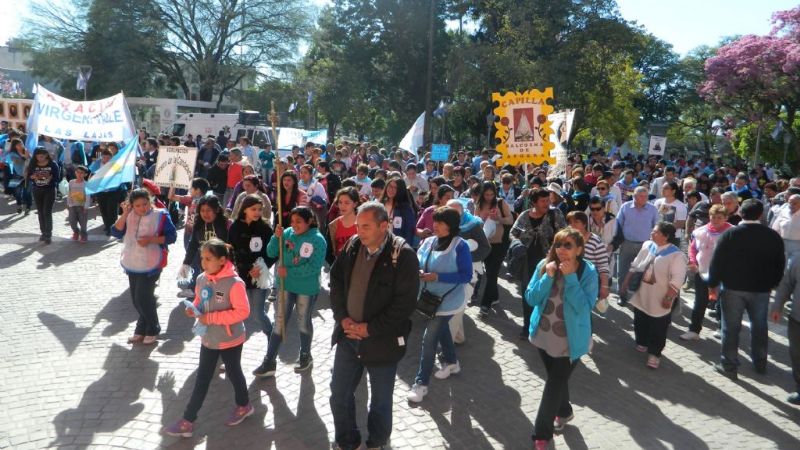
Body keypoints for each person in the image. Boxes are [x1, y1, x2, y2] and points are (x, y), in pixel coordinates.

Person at [329, 202, 419, 450]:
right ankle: (348, 441)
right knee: (339, 393)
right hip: (348, 337)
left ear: (384, 225)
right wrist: (342, 317)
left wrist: (369, 329)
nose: (360, 231)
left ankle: (377, 442)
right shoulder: (353, 245)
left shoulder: (403, 255)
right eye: (358, 225)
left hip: (382, 342)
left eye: (366, 226)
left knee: (380, 401)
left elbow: (404, 305)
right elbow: (335, 281)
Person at [163, 239, 254, 437]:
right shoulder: (202, 278)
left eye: (208, 259)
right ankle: (188, 420)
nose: (204, 263)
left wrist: (211, 317)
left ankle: (244, 405)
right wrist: (194, 309)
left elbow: (243, 312)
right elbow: (199, 300)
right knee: (202, 378)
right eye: (202, 258)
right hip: (209, 337)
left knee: (234, 372)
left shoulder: (235, 283)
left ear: (222, 260)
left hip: (231, 339)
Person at [525, 228, 598, 449]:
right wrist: (547, 276)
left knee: (553, 383)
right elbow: (531, 298)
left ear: (579, 250)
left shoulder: (588, 272)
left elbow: (585, 307)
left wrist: (571, 279)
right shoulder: (544, 265)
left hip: (571, 340)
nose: (562, 250)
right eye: (558, 245)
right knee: (557, 381)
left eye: (568, 245)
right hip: (544, 336)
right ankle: (564, 411)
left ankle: (541, 434)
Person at [708, 199, 785, 380]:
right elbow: (779, 264)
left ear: (740, 213)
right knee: (759, 326)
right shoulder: (772, 236)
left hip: (733, 288)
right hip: (761, 290)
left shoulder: (730, 234)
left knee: (730, 328)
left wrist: (713, 284)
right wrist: (773, 283)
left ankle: (729, 365)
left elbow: (717, 262)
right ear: (760, 215)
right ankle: (760, 362)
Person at [407, 207, 473, 403]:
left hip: (449, 301)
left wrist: (437, 276)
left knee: (429, 340)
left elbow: (466, 275)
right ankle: (452, 363)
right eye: (434, 221)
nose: (434, 225)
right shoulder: (428, 241)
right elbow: (417, 261)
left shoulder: (460, 246)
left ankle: (421, 384)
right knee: (441, 331)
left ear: (451, 226)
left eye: (440, 222)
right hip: (428, 298)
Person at [256, 207, 327, 377]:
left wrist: (289, 272)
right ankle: (269, 361)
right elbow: (271, 252)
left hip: (306, 288)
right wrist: (276, 236)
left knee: (303, 322)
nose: (294, 225)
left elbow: (314, 266)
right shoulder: (286, 233)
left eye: (299, 222)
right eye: (292, 221)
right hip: (285, 286)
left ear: (309, 221)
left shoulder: (317, 239)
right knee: (279, 322)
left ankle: (305, 355)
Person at [111, 189, 177, 345]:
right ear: (132, 205)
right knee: (135, 298)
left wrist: (151, 240)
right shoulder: (129, 215)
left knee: (143, 297)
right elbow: (116, 232)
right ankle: (141, 329)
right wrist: (125, 214)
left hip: (152, 262)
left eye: (145, 204)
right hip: (132, 261)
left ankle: (153, 328)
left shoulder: (160, 215)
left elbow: (172, 236)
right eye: (138, 205)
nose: (142, 208)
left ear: (150, 201)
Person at [619, 222, 687, 369]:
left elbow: (677, 279)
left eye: (655, 232)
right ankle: (642, 342)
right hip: (642, 292)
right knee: (640, 318)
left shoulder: (676, 255)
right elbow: (636, 264)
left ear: (666, 236)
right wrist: (625, 282)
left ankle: (654, 354)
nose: (651, 233)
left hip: (660, 296)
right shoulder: (647, 245)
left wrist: (669, 297)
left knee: (658, 326)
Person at [508, 188, 566, 334]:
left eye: (548, 200)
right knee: (529, 293)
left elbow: (564, 234)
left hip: (549, 261)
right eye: (543, 201)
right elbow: (512, 233)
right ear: (534, 202)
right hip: (527, 261)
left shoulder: (555, 214)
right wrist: (517, 244)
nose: (547, 203)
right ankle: (528, 326)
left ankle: (544, 326)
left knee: (548, 294)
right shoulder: (524, 215)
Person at [228, 195, 275, 358]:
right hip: (239, 276)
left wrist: (262, 267)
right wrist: (244, 268)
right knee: (236, 312)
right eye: (253, 209)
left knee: (257, 312)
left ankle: (272, 337)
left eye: (259, 210)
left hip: (259, 276)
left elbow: (272, 252)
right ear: (245, 209)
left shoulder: (265, 228)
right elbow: (230, 251)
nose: (257, 212)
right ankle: (230, 346)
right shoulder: (234, 228)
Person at [681, 205, 733, 341]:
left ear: (726, 218)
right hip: (702, 273)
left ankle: (722, 329)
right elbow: (692, 248)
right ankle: (694, 331)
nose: (715, 220)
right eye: (712, 217)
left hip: (724, 276)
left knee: (723, 303)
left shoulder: (733, 232)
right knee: (699, 303)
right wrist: (692, 261)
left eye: (719, 218)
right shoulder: (700, 231)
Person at [446, 199, 490, 344]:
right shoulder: (444, 225)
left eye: (455, 214)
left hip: (469, 273)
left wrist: (465, 257)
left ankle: (447, 346)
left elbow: (485, 247)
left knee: (456, 309)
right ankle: (459, 337)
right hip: (450, 273)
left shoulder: (473, 226)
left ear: (462, 212)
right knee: (455, 308)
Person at [612, 186, 658, 306]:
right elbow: (618, 224)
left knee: (641, 271)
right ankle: (622, 295)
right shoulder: (626, 207)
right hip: (627, 243)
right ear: (635, 196)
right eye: (641, 196)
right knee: (623, 270)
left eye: (646, 196)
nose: (644, 198)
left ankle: (638, 295)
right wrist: (618, 240)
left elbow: (656, 225)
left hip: (645, 245)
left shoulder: (652, 209)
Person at [475, 181, 514, 317]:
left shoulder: (501, 202)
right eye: (486, 194)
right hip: (485, 243)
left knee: (492, 273)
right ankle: (495, 297)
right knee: (490, 273)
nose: (489, 197)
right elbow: (475, 222)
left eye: (492, 194)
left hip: (500, 243)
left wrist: (499, 218)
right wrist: (482, 220)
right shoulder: (479, 204)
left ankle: (485, 305)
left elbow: (511, 220)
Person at [178, 195, 230, 299]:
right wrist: (186, 263)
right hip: (205, 270)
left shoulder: (226, 224)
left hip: (223, 271)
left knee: (220, 300)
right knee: (206, 298)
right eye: (202, 210)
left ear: (216, 210)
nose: (205, 214)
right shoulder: (198, 224)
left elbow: (231, 248)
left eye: (209, 210)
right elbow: (193, 244)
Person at [771, 256, 800, 405]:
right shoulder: (797, 260)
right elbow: (786, 284)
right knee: (797, 355)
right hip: (797, 319)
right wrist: (777, 306)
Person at [566, 211, 610, 303]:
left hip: (587, 283)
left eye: (576, 222)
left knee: (583, 309)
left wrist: (604, 286)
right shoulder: (565, 240)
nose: (572, 225)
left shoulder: (595, 241)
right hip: (568, 281)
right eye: (570, 223)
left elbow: (603, 265)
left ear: (585, 224)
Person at [27, 147, 61, 244]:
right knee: (40, 212)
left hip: (49, 190)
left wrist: (51, 179)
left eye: (42, 155)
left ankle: (48, 234)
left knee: (47, 211)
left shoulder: (52, 164)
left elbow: (57, 177)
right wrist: (32, 177)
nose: (40, 157)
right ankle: (43, 232)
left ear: (46, 155)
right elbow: (29, 175)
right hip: (37, 190)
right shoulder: (33, 164)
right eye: (38, 155)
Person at [327, 187, 360, 263]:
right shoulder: (333, 225)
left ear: (355, 204)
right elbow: (329, 251)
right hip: (339, 266)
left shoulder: (362, 224)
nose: (342, 206)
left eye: (347, 203)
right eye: (340, 202)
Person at [382, 178, 417, 245]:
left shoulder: (406, 208)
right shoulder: (381, 204)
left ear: (400, 190)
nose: (391, 189)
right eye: (390, 186)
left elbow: (409, 231)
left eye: (395, 187)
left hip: (396, 245)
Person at [66, 165, 91, 243]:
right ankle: (76, 232)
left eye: (82, 173)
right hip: (72, 205)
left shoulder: (86, 184)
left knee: (83, 222)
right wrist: (68, 203)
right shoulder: (71, 182)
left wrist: (86, 206)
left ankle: (84, 235)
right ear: (75, 173)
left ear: (85, 174)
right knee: (72, 221)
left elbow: (88, 196)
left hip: (82, 206)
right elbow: (69, 193)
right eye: (78, 172)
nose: (79, 174)